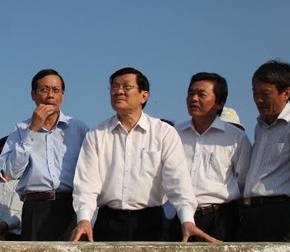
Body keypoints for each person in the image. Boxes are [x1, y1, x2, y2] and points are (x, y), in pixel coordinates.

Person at [70, 67, 220, 242]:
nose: (119, 91)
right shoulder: (96, 134)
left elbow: (177, 181)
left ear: (144, 95)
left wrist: (187, 220)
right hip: (108, 221)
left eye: (127, 87)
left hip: (152, 221)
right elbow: (86, 184)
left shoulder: (164, 133)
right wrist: (84, 219)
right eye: (114, 87)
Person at [0, 69, 89, 241]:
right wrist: (32, 130)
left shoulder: (78, 128)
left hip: (71, 206)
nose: (50, 96)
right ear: (33, 94)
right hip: (36, 207)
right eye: (44, 90)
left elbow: (91, 170)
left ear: (63, 94)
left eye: (56, 90)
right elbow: (11, 172)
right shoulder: (20, 129)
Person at [238, 60, 290, 242]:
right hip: (253, 214)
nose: (258, 100)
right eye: (255, 93)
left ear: (286, 93)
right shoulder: (260, 126)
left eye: (265, 94)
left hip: (284, 213)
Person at [174, 73, 251, 241]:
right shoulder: (174, 135)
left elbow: (244, 182)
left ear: (220, 102)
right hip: (179, 219)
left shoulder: (236, 138)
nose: (194, 99)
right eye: (190, 93)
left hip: (220, 219)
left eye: (202, 94)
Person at [0, 136, 22, 240]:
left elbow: (28, 213)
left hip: (18, 237)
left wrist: (4, 225)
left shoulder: (27, 184)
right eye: (9, 153)